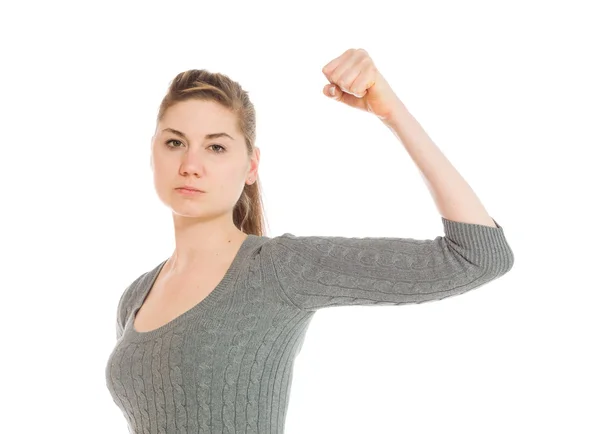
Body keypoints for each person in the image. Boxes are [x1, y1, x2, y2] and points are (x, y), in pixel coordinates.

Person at [105, 50, 514, 433]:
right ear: (153, 152)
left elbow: (479, 256)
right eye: (175, 142)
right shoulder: (136, 296)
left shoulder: (277, 268)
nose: (190, 165)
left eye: (215, 147)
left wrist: (392, 114)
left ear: (251, 166)